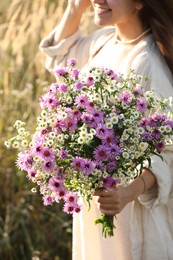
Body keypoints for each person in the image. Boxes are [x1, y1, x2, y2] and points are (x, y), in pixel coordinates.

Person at [39, 0, 173, 259]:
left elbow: (168, 149)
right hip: (98, 203)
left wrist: (127, 193)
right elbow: (61, 61)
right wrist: (75, 8)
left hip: (131, 213)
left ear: (139, 2)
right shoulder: (103, 41)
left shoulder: (148, 62)